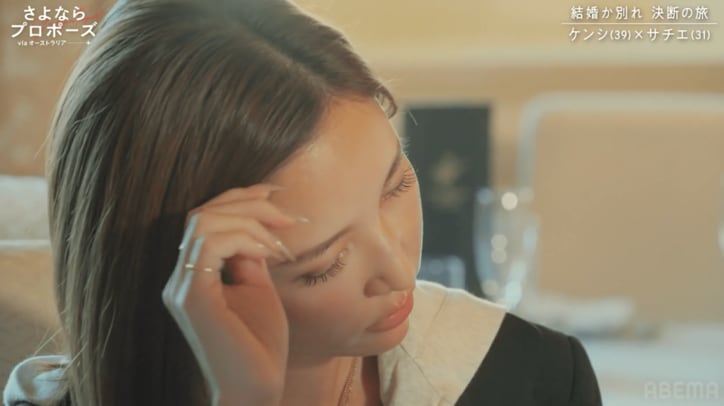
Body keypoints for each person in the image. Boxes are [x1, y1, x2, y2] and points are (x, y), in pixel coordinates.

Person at [3, 0, 602, 405]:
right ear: (182, 271)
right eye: (324, 263)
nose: (399, 273)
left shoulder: (533, 378)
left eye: (396, 186)